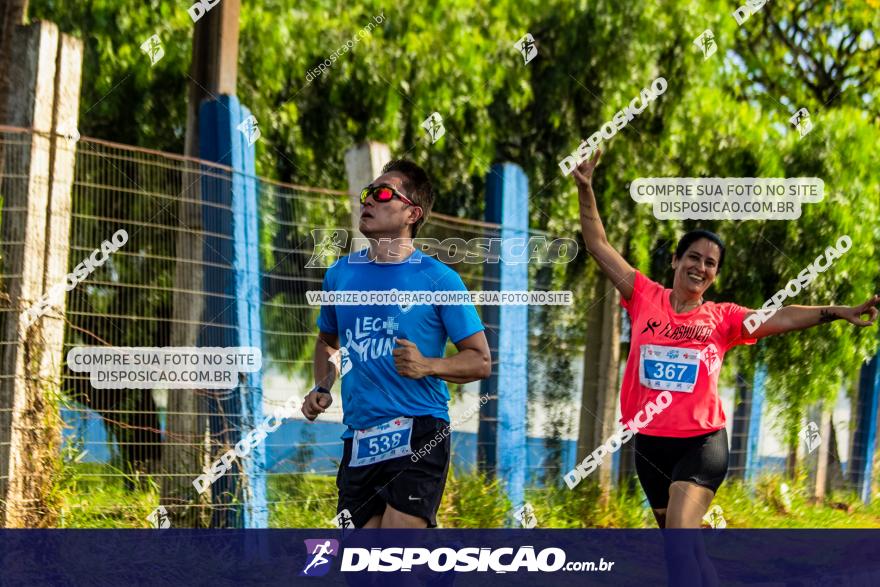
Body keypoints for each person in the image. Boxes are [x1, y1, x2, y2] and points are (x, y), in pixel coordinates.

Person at [572, 149, 879, 531]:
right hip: (649, 442)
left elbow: (781, 315)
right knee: (677, 541)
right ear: (675, 260)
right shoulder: (641, 294)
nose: (700, 267)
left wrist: (838, 310)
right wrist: (586, 188)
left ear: (715, 274)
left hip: (702, 443)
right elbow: (598, 244)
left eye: (710, 263)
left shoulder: (723, 318)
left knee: (681, 536)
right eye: (693, 257)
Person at [302, 159, 491, 529]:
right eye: (367, 193)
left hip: (419, 430)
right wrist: (322, 384)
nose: (368, 200)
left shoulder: (440, 279)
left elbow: (480, 360)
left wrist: (429, 365)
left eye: (383, 193)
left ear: (412, 213)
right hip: (359, 436)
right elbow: (327, 340)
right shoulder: (340, 274)